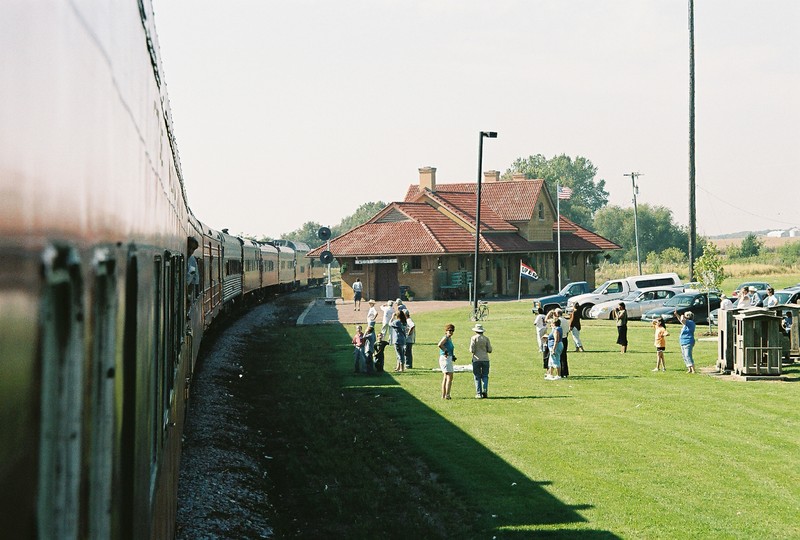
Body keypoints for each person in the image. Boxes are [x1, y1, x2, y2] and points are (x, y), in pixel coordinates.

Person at [469, 323, 492, 398]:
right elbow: (490, 350)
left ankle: (479, 393)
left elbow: (471, 350)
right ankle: (485, 390)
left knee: (477, 376)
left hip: (476, 359)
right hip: (485, 359)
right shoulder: (486, 338)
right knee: (485, 375)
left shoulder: (473, 338)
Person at [438, 324, 456, 399]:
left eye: (452, 331)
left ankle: (444, 395)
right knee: (449, 377)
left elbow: (450, 348)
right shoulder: (445, 338)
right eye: (449, 330)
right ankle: (447, 395)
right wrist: (445, 351)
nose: (451, 332)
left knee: (446, 377)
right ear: (446, 331)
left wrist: (453, 355)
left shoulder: (449, 338)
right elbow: (440, 344)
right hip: (445, 358)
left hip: (448, 358)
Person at [186, 236, 200, 309]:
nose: (190, 251)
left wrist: (188, 295)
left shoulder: (192, 261)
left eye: (193, 249)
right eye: (189, 248)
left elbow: (193, 278)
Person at [557, 309, 570, 377]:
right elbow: (568, 330)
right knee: (564, 356)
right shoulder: (565, 320)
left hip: (560, 339)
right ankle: (565, 372)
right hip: (565, 338)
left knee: (559, 356)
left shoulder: (559, 321)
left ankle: (561, 372)